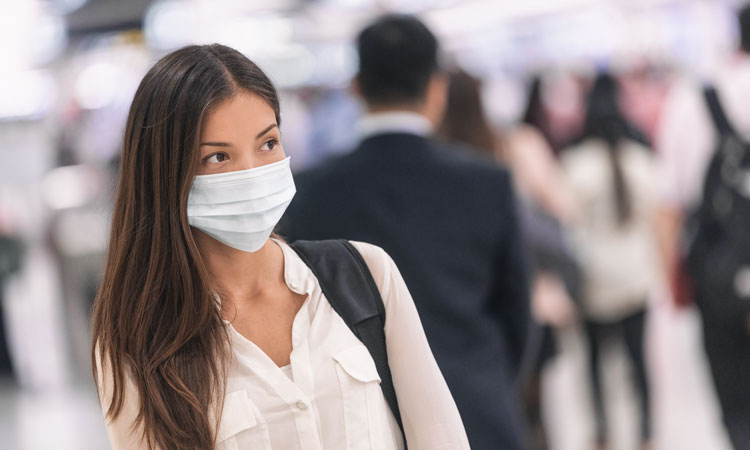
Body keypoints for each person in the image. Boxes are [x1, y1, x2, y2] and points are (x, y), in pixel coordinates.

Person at [90, 43, 469, 450]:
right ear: (165, 175)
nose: (252, 174)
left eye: (268, 143)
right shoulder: (137, 340)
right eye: (218, 157)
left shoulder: (366, 276)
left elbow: (440, 436)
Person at [281, 15, 531, 450]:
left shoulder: (311, 192)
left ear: (356, 86)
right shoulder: (488, 182)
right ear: (438, 87)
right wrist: (487, 375)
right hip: (477, 409)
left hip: (364, 424)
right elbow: (517, 313)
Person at [439, 69, 580, 450]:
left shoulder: (434, 166)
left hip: (463, 309)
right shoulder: (515, 146)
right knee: (535, 413)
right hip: (530, 298)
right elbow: (564, 208)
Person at [656, 6, 750, 448]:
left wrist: (671, 279)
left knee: (732, 394)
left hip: (718, 272)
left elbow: (669, 204)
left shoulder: (691, 99)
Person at [560, 74, 659, 450]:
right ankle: (646, 432)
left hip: (592, 280)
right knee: (639, 360)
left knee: (594, 361)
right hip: (636, 277)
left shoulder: (574, 164)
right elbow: (655, 220)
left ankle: (601, 432)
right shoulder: (640, 159)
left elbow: (566, 225)